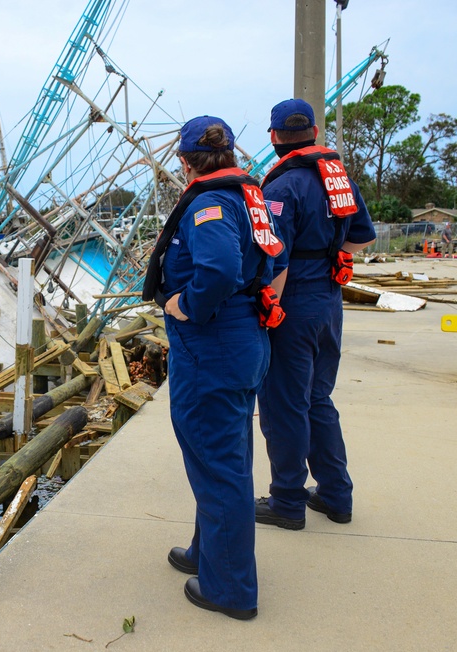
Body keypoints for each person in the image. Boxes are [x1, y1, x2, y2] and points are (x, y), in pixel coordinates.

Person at [142, 115, 284, 620]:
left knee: (217, 462)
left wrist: (189, 305)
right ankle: (209, 552)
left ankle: (229, 589)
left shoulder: (207, 202)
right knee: (224, 455)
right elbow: (277, 256)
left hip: (212, 347)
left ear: (184, 162)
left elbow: (220, 267)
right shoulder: (250, 196)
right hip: (243, 340)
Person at [253, 99, 375, 531]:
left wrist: (270, 309)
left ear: (273, 137)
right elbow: (363, 234)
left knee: (285, 403)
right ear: (316, 133)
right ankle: (336, 494)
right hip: (329, 299)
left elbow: (277, 258)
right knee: (318, 398)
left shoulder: (281, 188)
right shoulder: (336, 177)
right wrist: (337, 255)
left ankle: (287, 500)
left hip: (297, 302)